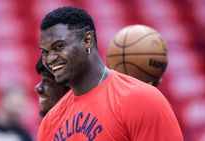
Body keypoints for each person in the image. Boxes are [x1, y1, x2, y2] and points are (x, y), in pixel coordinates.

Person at [37, 6, 183, 141]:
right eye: (45, 52)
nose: (50, 59)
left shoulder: (141, 99)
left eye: (58, 46)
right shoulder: (49, 122)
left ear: (87, 40)